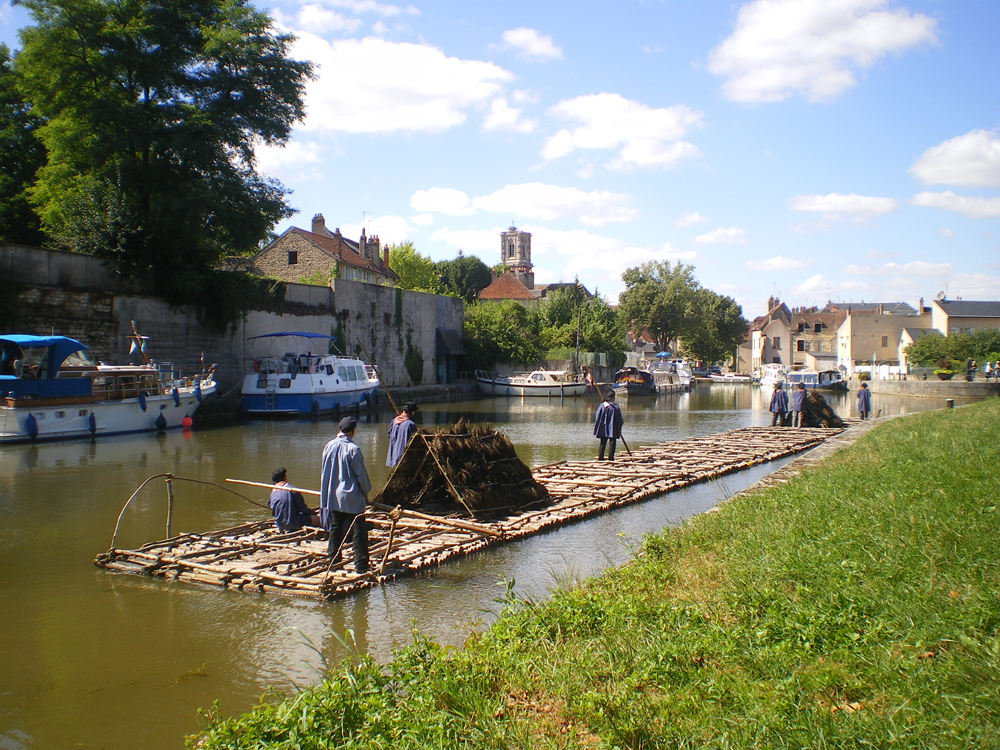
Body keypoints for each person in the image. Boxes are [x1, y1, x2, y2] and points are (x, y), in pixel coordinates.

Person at [320, 416, 372, 571]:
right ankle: (361, 564)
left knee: (335, 527)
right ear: (352, 431)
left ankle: (333, 559)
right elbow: (361, 476)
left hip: (333, 495)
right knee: (358, 530)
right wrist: (366, 492)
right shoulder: (353, 449)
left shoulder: (328, 446)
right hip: (351, 497)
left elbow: (324, 473)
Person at [268, 467, 319, 532]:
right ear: (284, 477)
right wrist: (314, 513)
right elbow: (303, 509)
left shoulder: (273, 491)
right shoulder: (291, 489)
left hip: (279, 523)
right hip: (293, 523)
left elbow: (271, 506)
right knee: (319, 519)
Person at [386, 401, 419, 468]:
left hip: (392, 457)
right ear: (411, 412)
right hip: (403, 458)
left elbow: (389, 435)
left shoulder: (394, 421)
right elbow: (415, 442)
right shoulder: (410, 424)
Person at [593, 389, 623, 461]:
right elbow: (619, 419)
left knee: (602, 442)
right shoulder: (614, 407)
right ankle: (611, 458)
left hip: (603, 427)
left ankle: (601, 457)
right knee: (612, 442)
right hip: (612, 427)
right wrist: (619, 427)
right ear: (613, 398)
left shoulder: (601, 406)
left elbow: (597, 416)